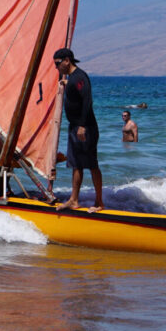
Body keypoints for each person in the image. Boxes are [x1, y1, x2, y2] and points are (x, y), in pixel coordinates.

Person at [53, 48, 103, 212]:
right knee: (76, 165)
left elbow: (87, 100)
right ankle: (74, 200)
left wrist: (82, 125)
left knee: (92, 164)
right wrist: (67, 83)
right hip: (75, 127)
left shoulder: (79, 77)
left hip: (85, 128)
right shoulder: (72, 79)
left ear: (67, 60)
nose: (57, 68)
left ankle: (99, 202)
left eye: (58, 64)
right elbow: (75, 88)